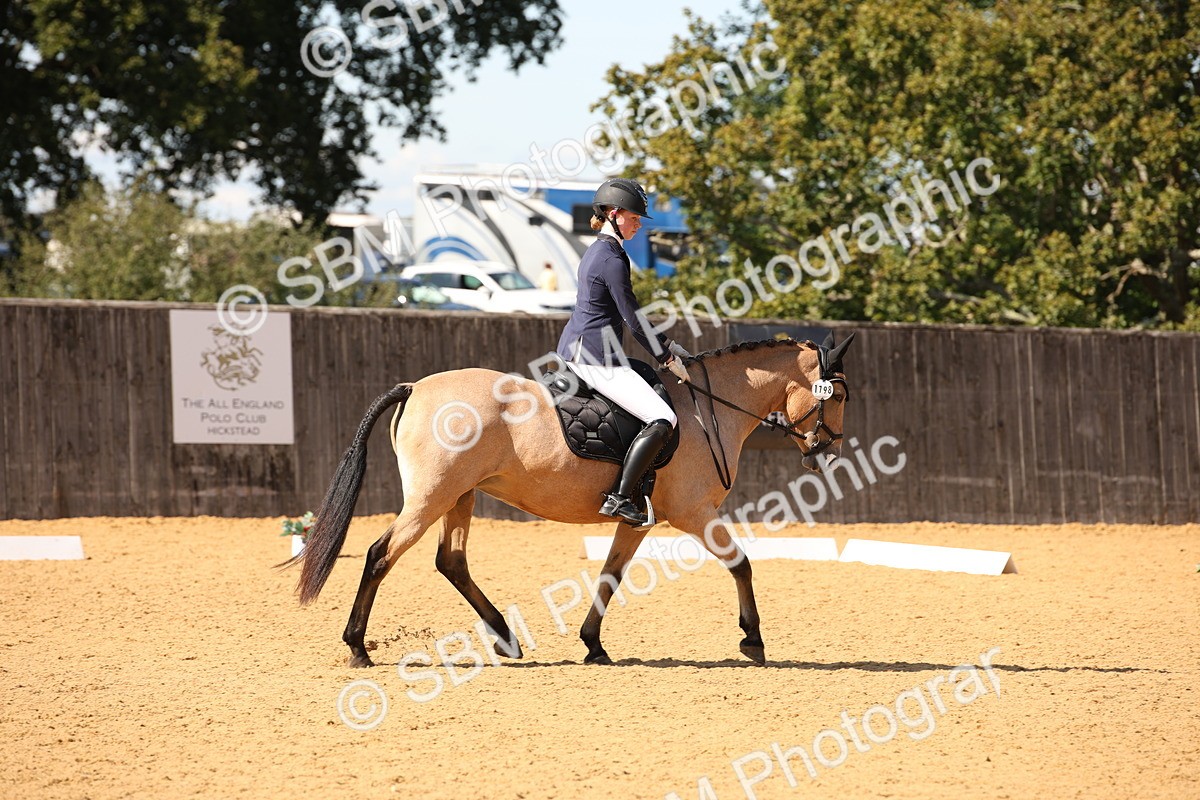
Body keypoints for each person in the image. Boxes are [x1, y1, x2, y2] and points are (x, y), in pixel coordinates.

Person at [556, 177, 691, 526]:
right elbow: (633, 318)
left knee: (646, 377)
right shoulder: (612, 258)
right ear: (614, 213)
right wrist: (667, 358)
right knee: (665, 419)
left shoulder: (602, 250)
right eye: (634, 217)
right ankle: (618, 497)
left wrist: (664, 346)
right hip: (594, 357)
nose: (638, 224)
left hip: (587, 348)